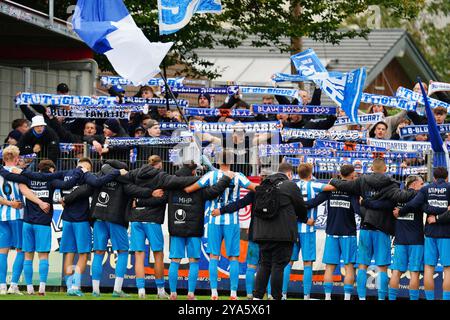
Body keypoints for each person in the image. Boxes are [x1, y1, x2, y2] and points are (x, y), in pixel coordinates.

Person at [62, 160, 152, 297]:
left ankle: (95, 290)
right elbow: (136, 191)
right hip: (116, 219)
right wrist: (152, 192)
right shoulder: (124, 181)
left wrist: (67, 198)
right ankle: (116, 290)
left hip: (98, 218)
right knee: (122, 252)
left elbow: (83, 190)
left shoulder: (99, 177)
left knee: (98, 253)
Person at [184, 149, 258, 300]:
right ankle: (233, 293)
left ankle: (214, 293)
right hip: (232, 221)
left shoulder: (210, 175)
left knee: (213, 256)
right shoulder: (238, 176)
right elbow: (255, 189)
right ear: (232, 162)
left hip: (213, 220)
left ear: (217, 161)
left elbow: (190, 189)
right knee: (234, 257)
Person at [125, 157, 200, 299]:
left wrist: (140, 200)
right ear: (158, 165)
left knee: (139, 256)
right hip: (152, 220)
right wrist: (204, 178)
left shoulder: (135, 173)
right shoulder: (161, 176)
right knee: (158, 255)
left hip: (135, 219)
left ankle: (141, 291)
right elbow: (170, 191)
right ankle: (160, 290)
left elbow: (126, 186)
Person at [4, 160, 83, 295]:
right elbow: (68, 184)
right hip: (43, 224)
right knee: (43, 256)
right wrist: (78, 172)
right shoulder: (51, 181)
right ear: (51, 169)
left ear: (39, 169)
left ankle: (29, 288)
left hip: (27, 222)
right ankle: (41, 288)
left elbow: (9, 176)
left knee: (28, 256)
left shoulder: (27, 178)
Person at [157, 161, 234, 300]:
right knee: (193, 261)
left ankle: (173, 294)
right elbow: (214, 191)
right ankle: (191, 294)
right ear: (193, 172)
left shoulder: (171, 186)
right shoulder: (199, 187)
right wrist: (226, 178)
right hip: (194, 229)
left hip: (176, 228)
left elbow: (159, 197)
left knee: (174, 261)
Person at [329, 158, 401, 300]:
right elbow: (393, 201)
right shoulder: (392, 184)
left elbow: (344, 185)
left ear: (372, 168)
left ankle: (361, 298)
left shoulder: (362, 180)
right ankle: (381, 298)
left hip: (365, 227)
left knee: (362, 265)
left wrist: (332, 181)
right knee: (382, 267)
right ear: (385, 169)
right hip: (383, 229)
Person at [212, 169, 273, 300]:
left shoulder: (254, 193)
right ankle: (270, 294)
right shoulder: (276, 194)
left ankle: (250, 294)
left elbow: (238, 204)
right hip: (271, 235)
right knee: (269, 266)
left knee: (251, 266)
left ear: (261, 178)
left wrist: (221, 210)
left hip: (255, 233)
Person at [251, 162, 308, 300]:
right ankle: (276, 296)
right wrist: (303, 218)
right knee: (278, 266)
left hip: (262, 233)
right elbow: (301, 208)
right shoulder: (290, 185)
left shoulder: (264, 184)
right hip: (282, 234)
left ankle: (257, 297)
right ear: (289, 174)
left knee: (264, 265)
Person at [363, 174, 424, 300]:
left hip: (400, 240)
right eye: (421, 184)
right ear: (413, 184)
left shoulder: (396, 196)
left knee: (396, 272)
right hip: (416, 240)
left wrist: (365, 202)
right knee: (414, 273)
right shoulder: (420, 196)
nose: (423, 187)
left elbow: (379, 205)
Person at [305, 164, 360, 300]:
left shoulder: (331, 187)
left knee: (329, 267)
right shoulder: (353, 190)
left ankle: (328, 297)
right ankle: (347, 297)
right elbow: (358, 210)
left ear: (340, 174)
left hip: (332, 232)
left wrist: (297, 204)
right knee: (349, 267)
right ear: (352, 174)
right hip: (348, 233)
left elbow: (314, 202)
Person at [395, 167, 450, 300]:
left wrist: (400, 212)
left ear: (434, 178)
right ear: (447, 177)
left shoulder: (426, 189)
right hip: (446, 234)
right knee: (447, 270)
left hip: (430, 234)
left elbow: (414, 204)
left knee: (429, 269)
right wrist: (443, 212)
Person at [282, 163, 335, 300]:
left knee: (288, 262)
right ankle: (306, 295)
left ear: (298, 174)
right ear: (311, 173)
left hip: (291, 229)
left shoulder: (292, 186)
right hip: (308, 229)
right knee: (307, 264)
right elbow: (331, 187)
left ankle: (282, 294)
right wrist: (332, 181)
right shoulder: (314, 185)